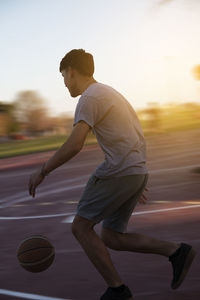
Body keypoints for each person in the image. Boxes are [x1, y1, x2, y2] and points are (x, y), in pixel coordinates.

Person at [28, 49, 196, 300]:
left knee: (81, 228)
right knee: (112, 237)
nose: (64, 83)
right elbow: (133, 134)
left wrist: (43, 171)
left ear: (71, 72)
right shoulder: (109, 92)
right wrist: (135, 177)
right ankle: (176, 252)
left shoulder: (89, 98)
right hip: (134, 171)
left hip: (121, 172)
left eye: (64, 77)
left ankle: (117, 290)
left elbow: (75, 144)